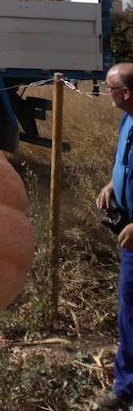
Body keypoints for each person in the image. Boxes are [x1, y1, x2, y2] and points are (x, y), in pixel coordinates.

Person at [95, 63, 133, 410]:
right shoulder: (127, 120)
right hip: (128, 228)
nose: (105, 92)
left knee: (130, 313)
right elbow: (124, 160)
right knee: (128, 311)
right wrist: (112, 185)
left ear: (127, 93)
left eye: (109, 87)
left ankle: (125, 391)